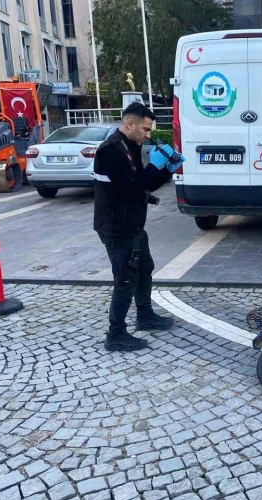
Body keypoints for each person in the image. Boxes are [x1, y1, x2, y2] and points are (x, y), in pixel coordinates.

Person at [93, 102, 184, 351]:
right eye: (145, 129)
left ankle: (145, 316)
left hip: (132, 223)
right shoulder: (110, 151)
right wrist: (155, 165)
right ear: (129, 124)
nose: (148, 134)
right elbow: (129, 189)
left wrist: (167, 170)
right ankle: (116, 335)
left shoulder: (131, 146)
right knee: (125, 279)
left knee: (144, 268)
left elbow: (143, 185)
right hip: (116, 226)